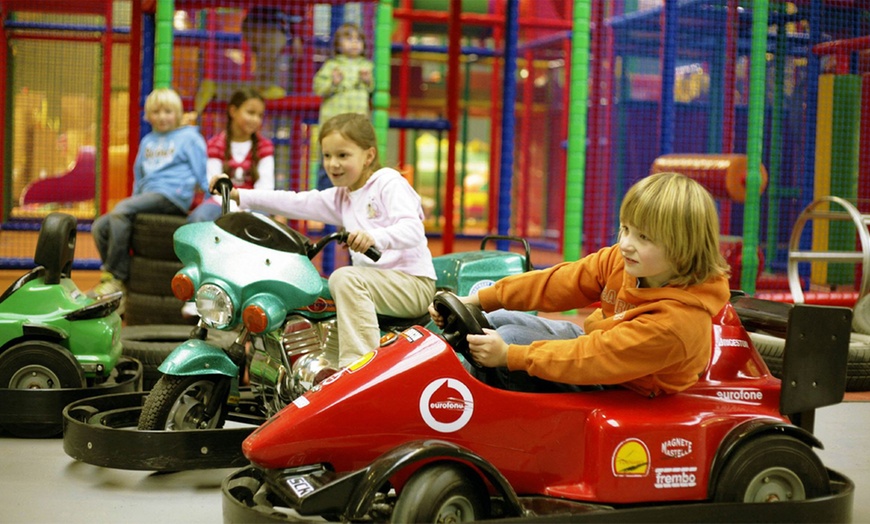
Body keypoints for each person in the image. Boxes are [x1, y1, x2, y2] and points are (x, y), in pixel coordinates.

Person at [430, 172, 731, 397]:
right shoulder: (623, 261)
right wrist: (479, 301)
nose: (625, 244)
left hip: (630, 388)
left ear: (682, 248)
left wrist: (510, 356)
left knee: (507, 344)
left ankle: (460, 408)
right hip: (600, 352)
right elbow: (560, 282)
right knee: (493, 322)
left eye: (643, 238)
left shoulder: (677, 324)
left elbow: (596, 357)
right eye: (625, 229)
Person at [212, 112, 436, 368]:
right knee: (320, 289)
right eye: (327, 156)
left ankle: (359, 370)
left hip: (412, 285)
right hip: (375, 286)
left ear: (369, 156)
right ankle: (320, 373)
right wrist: (241, 195)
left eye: (343, 155)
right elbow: (296, 201)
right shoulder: (343, 195)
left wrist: (374, 237)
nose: (333, 164)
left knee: (344, 278)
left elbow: (413, 229)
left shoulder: (387, 183)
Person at [89, 88, 209, 314]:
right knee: (101, 227)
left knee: (120, 210)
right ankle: (120, 282)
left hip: (173, 196)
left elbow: (202, 171)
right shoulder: (148, 141)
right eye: (156, 112)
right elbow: (139, 175)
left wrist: (211, 197)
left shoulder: (189, 137)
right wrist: (134, 201)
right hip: (149, 197)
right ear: (148, 115)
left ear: (178, 113)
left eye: (168, 111)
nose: (162, 117)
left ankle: (116, 277)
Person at [188, 88, 275, 223]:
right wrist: (232, 209)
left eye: (260, 115)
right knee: (198, 218)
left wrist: (244, 209)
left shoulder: (264, 146)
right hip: (219, 202)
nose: (256, 119)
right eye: (251, 113)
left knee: (262, 222)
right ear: (233, 111)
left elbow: (265, 188)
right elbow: (213, 185)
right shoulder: (215, 144)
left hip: (253, 204)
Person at [312, 22, 374, 190]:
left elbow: (374, 89)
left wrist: (368, 80)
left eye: (358, 39)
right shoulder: (332, 65)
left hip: (356, 126)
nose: (354, 43)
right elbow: (318, 88)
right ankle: (325, 195)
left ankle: (355, 193)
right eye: (348, 38)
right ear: (338, 45)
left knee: (356, 161)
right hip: (332, 124)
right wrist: (333, 82)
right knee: (329, 161)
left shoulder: (366, 66)